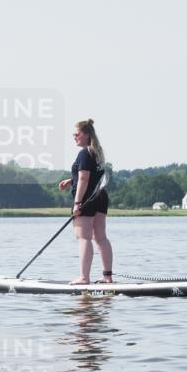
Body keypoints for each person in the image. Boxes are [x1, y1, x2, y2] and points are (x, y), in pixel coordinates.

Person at [58, 119, 112, 284]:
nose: (74, 137)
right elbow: (89, 175)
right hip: (101, 198)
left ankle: (84, 277)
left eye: (77, 134)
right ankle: (107, 276)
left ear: (87, 134)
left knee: (84, 238)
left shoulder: (83, 153)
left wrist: (77, 203)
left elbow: (84, 177)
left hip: (87, 200)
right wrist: (70, 181)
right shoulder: (98, 152)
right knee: (101, 237)